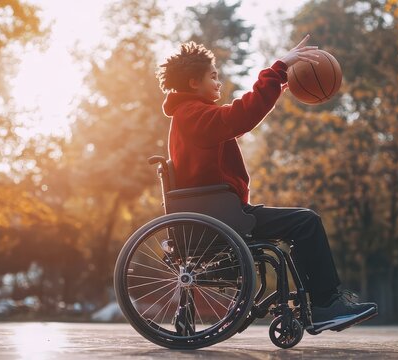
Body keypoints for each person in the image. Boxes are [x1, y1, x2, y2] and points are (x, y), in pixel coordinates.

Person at [156, 34, 377, 332]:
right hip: (221, 216)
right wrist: (277, 70)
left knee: (300, 225)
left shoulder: (190, 114)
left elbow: (240, 116)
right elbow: (240, 116)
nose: (218, 82)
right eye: (213, 76)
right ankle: (325, 304)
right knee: (306, 222)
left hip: (220, 211)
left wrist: (277, 85)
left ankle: (323, 303)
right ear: (194, 83)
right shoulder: (193, 115)